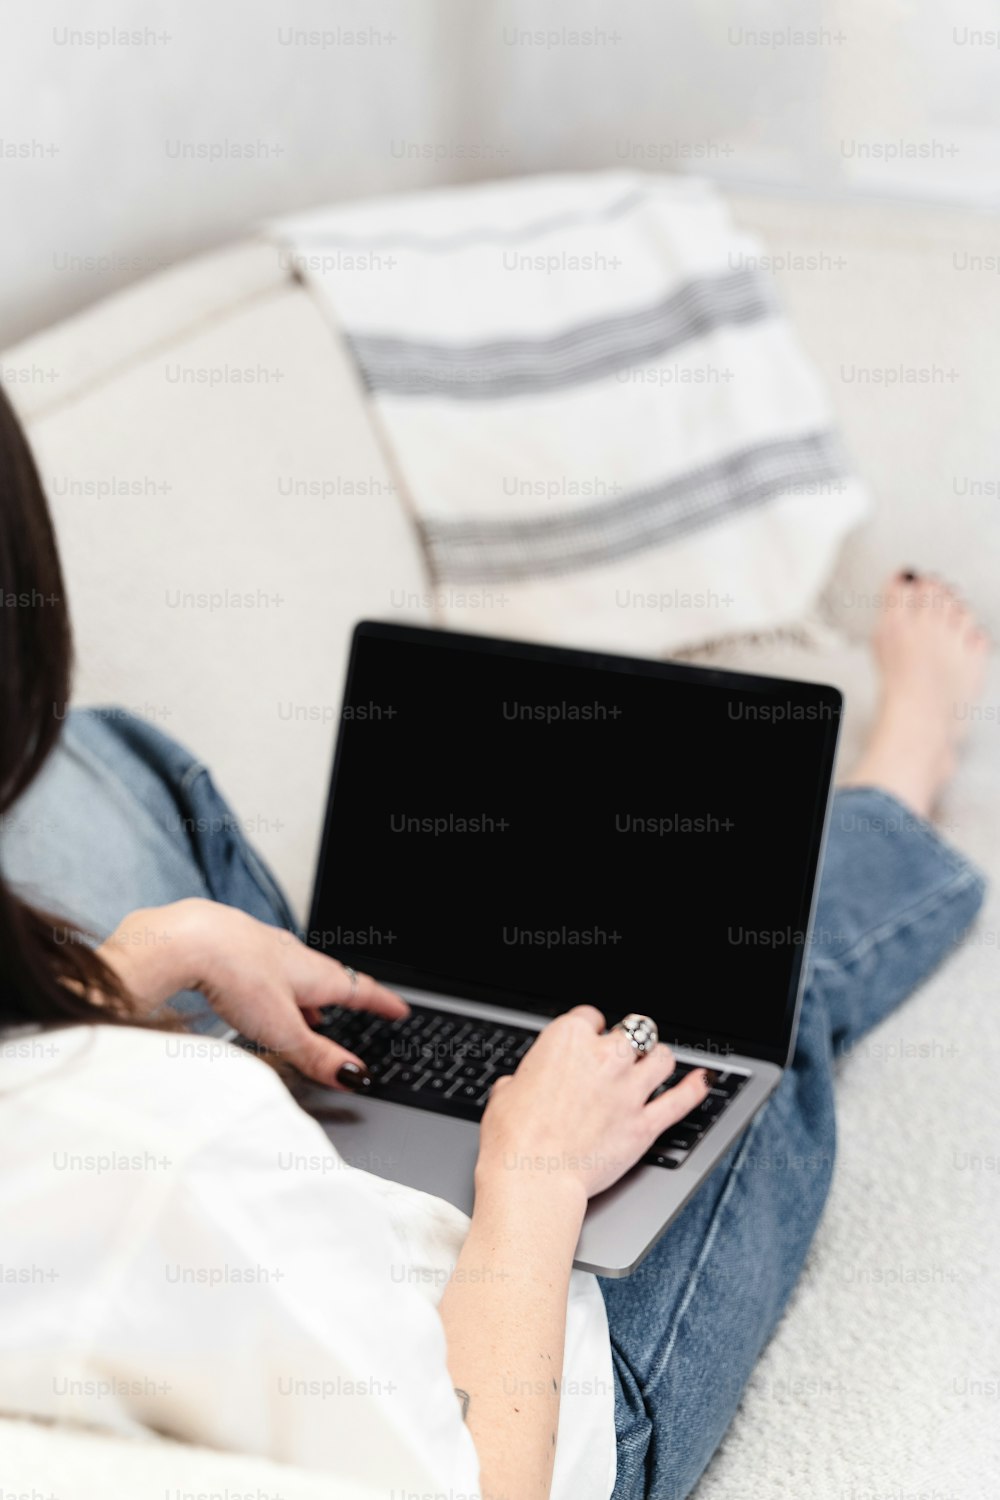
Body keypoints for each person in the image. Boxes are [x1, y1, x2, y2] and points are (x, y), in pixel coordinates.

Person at [0, 383, 988, 1500]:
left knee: (124, 763)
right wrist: (534, 1170)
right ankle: (900, 782)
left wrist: (130, 965)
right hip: (523, 1390)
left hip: (268, 1221)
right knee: (745, 1012)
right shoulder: (178, 1160)